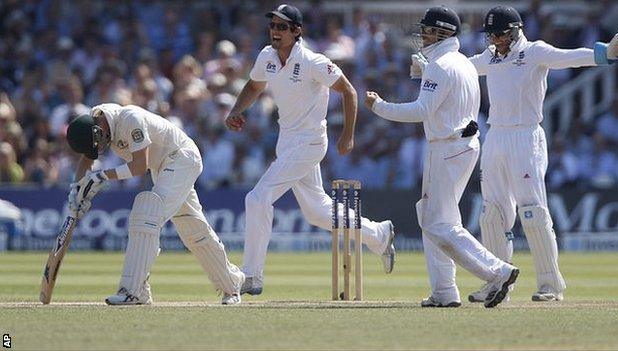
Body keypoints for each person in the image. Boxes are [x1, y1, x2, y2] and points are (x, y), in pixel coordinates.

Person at [225, 4, 396, 295]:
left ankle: (252, 276)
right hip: (287, 142)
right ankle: (378, 234)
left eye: (282, 27)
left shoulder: (314, 61)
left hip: (310, 142)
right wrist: (236, 110)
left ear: (296, 31)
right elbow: (254, 87)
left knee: (257, 199)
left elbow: (349, 92)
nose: (275, 32)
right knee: (317, 212)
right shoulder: (266, 56)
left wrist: (348, 136)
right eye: (273, 26)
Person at [364, 6, 519, 308]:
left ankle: (498, 271)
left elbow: (422, 111)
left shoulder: (441, 66)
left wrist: (379, 106)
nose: (422, 35)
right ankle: (445, 292)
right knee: (434, 217)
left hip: (446, 148)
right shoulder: (460, 62)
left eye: (427, 30)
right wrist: (423, 75)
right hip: (462, 145)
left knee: (437, 223)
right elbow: (444, 101)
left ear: (442, 33)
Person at [467, 6, 618, 303]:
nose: (494, 41)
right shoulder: (491, 55)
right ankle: (496, 281)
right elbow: (464, 67)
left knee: (533, 213)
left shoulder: (534, 51)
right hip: (496, 135)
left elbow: (568, 58)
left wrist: (604, 54)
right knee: (492, 214)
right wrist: (429, 66)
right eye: (490, 36)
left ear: (514, 31)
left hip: (526, 136)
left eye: (499, 35)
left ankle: (550, 285)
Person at [66, 103, 245, 305]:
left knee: (147, 214)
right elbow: (87, 160)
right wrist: (77, 189)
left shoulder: (130, 120)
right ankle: (232, 283)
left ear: (98, 129)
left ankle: (134, 290)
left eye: (98, 141)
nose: (100, 147)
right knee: (193, 230)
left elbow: (139, 166)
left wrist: (101, 176)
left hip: (181, 157)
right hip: (162, 168)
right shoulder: (94, 123)